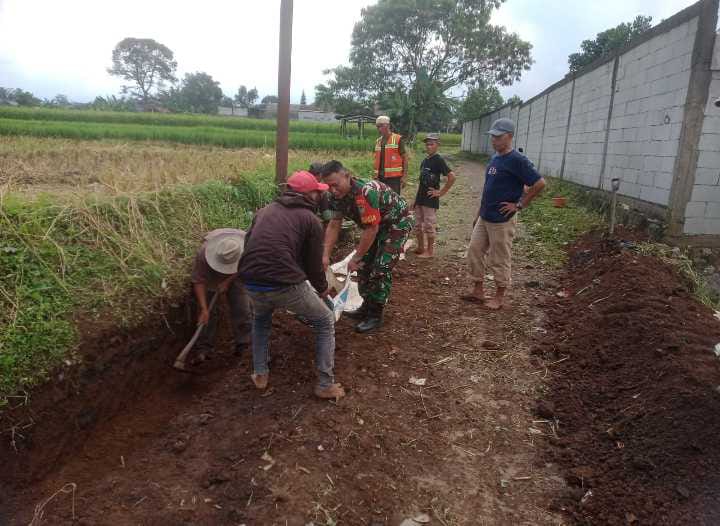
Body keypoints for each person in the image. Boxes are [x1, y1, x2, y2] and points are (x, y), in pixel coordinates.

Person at [237, 171, 345, 400]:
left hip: (250, 280)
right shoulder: (310, 220)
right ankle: (325, 384)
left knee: (261, 320)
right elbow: (314, 265)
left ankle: (260, 374)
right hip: (283, 283)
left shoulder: (264, 211)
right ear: (310, 194)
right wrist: (323, 289)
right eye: (317, 191)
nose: (319, 195)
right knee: (325, 320)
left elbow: (249, 244)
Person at [462, 118, 546, 310]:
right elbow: (488, 189)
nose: (494, 140)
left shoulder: (518, 160)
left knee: (499, 258)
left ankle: (499, 297)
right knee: (474, 250)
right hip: (485, 216)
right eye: (492, 137)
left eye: (498, 137)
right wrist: (478, 214)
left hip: (502, 219)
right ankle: (478, 290)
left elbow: (540, 183)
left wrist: (519, 205)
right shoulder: (494, 158)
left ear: (509, 137)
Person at [321, 160, 414, 333]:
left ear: (347, 176)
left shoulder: (365, 192)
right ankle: (365, 306)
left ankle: (375, 314)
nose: (333, 190)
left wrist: (356, 257)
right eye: (328, 186)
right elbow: (334, 225)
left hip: (396, 224)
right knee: (364, 266)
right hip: (375, 227)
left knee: (380, 267)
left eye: (335, 185)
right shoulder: (334, 196)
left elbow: (371, 229)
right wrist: (325, 255)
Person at [190, 228, 252, 363]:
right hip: (211, 272)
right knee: (205, 314)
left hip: (238, 273)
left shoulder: (248, 247)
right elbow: (199, 281)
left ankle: (244, 344)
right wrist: (204, 308)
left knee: (241, 306)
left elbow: (244, 267)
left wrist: (228, 281)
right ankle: (203, 348)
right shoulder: (204, 255)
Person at [413, 133, 456, 258]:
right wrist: (415, 200)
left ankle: (430, 251)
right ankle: (421, 247)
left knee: (429, 225)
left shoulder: (438, 160)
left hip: (430, 200)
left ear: (438, 145)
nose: (428, 146)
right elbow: (421, 183)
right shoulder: (425, 161)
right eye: (427, 144)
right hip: (420, 198)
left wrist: (441, 192)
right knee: (417, 225)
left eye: (431, 144)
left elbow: (452, 177)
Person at [373, 115, 408, 195]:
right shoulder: (378, 141)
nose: (379, 129)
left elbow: (405, 158)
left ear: (388, 125)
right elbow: (377, 160)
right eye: (377, 127)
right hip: (380, 177)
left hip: (394, 178)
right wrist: (375, 176)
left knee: (394, 201)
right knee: (382, 200)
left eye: (381, 126)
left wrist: (404, 176)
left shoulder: (397, 139)